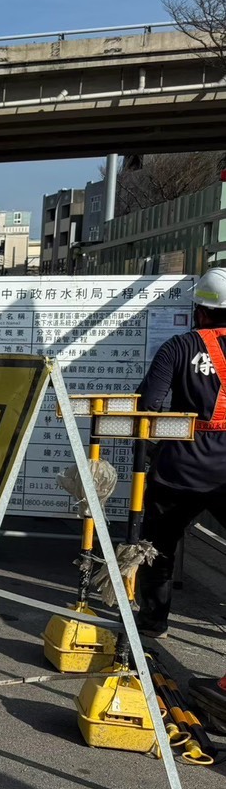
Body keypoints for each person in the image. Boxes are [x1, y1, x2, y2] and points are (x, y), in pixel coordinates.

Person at [134, 268, 226, 650]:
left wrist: (158, 447)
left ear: (200, 311)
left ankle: (153, 622)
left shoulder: (178, 347)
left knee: (158, 547)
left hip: (179, 469)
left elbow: (149, 404)